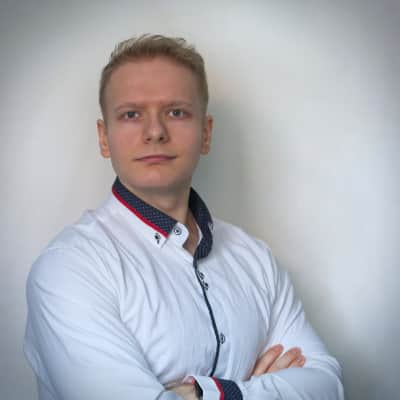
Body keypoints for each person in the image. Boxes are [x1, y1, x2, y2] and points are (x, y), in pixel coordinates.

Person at [24, 34, 344, 400]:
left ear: (205, 134)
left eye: (176, 112)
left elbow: (328, 385)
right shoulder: (69, 268)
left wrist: (213, 394)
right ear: (104, 138)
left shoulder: (255, 258)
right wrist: (266, 390)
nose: (155, 132)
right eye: (131, 115)